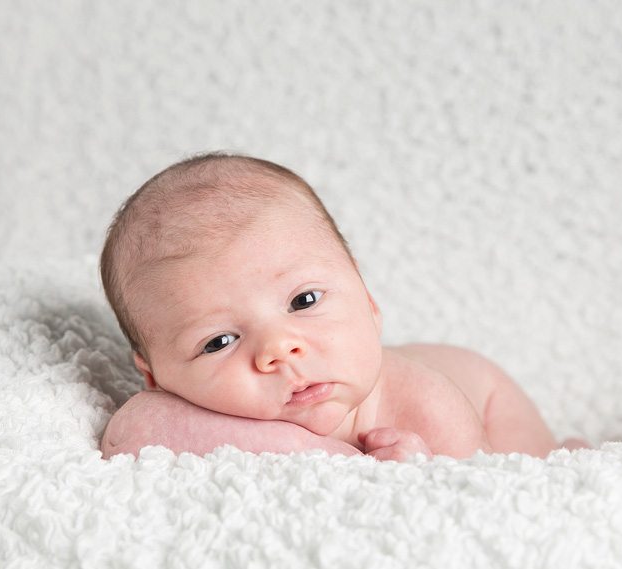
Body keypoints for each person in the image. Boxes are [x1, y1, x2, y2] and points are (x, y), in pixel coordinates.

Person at [99, 152, 587, 461]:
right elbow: (134, 431)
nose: (278, 349)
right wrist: (315, 452)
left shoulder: (431, 407)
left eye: (303, 300)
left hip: (486, 396)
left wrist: (417, 468)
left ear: (370, 304)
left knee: (536, 464)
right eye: (219, 341)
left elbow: (489, 498)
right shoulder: (182, 410)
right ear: (155, 377)